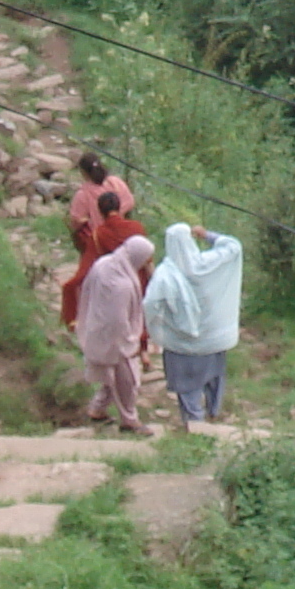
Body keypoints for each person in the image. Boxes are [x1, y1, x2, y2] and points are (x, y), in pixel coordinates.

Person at [143, 222, 244, 428]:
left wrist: (158, 328)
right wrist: (207, 235)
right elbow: (233, 247)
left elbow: (151, 303)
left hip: (183, 345)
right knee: (214, 376)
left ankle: (194, 421)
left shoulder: (165, 274)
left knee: (187, 386)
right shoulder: (211, 263)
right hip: (214, 339)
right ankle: (214, 412)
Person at [76, 232, 155, 433]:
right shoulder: (123, 285)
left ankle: (97, 409)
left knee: (111, 375)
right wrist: (129, 340)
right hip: (116, 337)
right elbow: (119, 319)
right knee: (128, 380)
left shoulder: (104, 264)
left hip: (96, 328)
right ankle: (130, 420)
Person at [61, 183, 148, 329]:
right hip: (137, 283)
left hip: (112, 286)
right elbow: (147, 259)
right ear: (120, 207)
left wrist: (70, 287)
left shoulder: (98, 234)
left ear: (100, 212)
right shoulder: (136, 227)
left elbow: (87, 266)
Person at [67, 153, 113, 246]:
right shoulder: (113, 184)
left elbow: (76, 220)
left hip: (96, 240)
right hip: (116, 234)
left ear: (83, 172)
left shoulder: (83, 194)